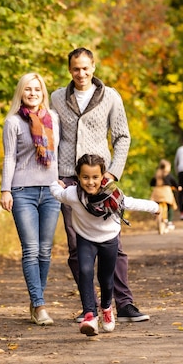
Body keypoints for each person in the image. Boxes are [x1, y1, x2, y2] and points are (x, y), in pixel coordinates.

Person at [50, 47, 150, 323]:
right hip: (70, 177)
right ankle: (90, 307)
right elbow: (51, 137)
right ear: (69, 70)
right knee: (75, 245)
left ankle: (124, 303)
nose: (80, 73)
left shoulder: (110, 97)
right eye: (75, 69)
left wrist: (114, 173)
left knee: (113, 243)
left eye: (85, 68)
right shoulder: (58, 98)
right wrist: (53, 174)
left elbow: (122, 137)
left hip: (102, 179)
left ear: (93, 67)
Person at [50, 154, 159, 336]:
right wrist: (56, 183)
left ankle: (107, 308)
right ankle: (90, 316)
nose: (90, 182)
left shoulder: (113, 195)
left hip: (109, 240)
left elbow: (132, 203)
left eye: (95, 177)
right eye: (85, 177)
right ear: (78, 177)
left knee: (106, 279)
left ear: (103, 177)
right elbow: (57, 193)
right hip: (86, 238)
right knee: (85, 271)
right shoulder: (72, 194)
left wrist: (155, 207)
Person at [0, 72, 61, 326]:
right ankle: (39, 304)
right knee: (31, 250)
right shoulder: (12, 122)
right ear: (21, 93)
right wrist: (5, 190)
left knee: (46, 251)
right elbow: (9, 158)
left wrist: (61, 180)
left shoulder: (53, 119)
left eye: (37, 89)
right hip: (22, 192)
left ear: (43, 93)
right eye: (28, 89)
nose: (33, 93)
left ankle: (37, 300)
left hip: (51, 191)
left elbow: (60, 152)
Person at [149, 159, 179, 231]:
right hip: (166, 192)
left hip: (157, 193)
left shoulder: (157, 174)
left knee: (156, 204)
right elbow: (174, 182)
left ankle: (155, 215)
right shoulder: (168, 175)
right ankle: (170, 222)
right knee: (170, 205)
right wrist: (178, 187)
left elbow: (151, 183)